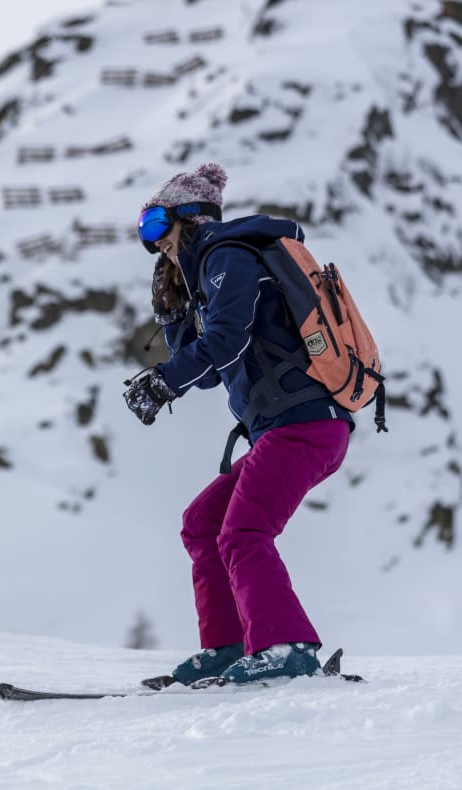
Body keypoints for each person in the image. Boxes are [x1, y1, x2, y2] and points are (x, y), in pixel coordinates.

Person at [123, 163, 354, 687]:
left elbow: (226, 340)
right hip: (286, 426)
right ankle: (230, 646)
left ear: (192, 218)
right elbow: (211, 369)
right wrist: (174, 316)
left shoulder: (228, 254)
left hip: (305, 421)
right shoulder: (207, 270)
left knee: (245, 531)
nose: (152, 242)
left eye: (156, 225)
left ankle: (286, 647)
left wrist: (163, 381)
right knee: (203, 523)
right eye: (143, 232)